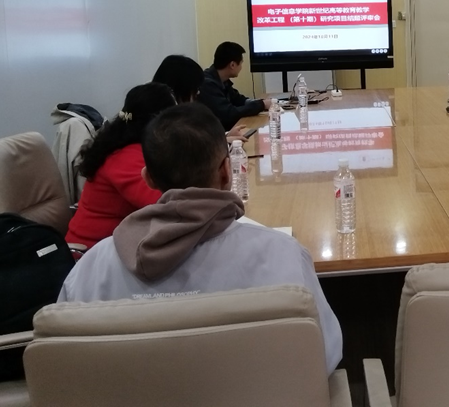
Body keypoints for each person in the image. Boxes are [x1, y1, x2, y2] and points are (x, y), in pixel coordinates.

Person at [59, 103, 343, 375]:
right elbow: (324, 356)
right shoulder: (282, 256)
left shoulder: (91, 269)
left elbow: (69, 369)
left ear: (148, 179)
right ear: (226, 171)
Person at [65, 83, 176, 249]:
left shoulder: (123, 144)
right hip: (91, 252)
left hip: (121, 243)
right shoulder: (125, 158)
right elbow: (166, 205)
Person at [153, 54, 248, 142]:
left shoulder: (169, 111)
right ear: (182, 88)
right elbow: (188, 148)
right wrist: (224, 142)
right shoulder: (164, 125)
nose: (198, 93)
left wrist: (225, 137)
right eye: (195, 89)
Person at [197, 42, 272, 131]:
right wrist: (261, 105)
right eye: (241, 63)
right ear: (232, 65)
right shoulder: (208, 84)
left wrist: (260, 102)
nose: (241, 67)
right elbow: (229, 113)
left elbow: (238, 100)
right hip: (214, 134)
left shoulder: (222, 80)